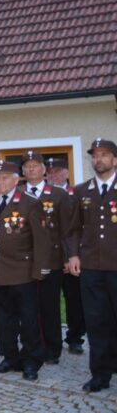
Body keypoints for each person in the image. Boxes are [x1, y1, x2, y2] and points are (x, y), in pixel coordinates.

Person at [0, 160, 50, 380]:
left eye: (5, 177)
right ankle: (10, 357)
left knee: (28, 320)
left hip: (22, 272)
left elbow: (41, 241)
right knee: (3, 319)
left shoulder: (29, 203)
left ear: (17, 179)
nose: (0, 181)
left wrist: (39, 271)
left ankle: (31, 361)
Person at [64, 137, 117, 391]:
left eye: (104, 154)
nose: (99, 159)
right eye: (95, 155)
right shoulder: (83, 191)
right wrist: (73, 255)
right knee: (96, 321)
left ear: (114, 159)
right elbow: (72, 228)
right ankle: (100, 374)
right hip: (92, 269)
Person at [20, 150, 75, 364]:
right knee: (27, 307)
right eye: (27, 166)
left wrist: (67, 257)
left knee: (49, 306)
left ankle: (52, 348)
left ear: (44, 170)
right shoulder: (18, 192)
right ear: (23, 171)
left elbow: (66, 230)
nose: (31, 169)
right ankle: (31, 345)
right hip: (24, 262)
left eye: (35, 165)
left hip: (51, 260)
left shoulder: (58, 195)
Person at [47, 156, 85, 354]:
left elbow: (76, 229)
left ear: (67, 174)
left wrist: (72, 256)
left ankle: (75, 337)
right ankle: (51, 340)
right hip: (50, 257)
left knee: (74, 300)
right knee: (49, 301)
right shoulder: (42, 195)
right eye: (50, 171)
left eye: (58, 171)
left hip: (71, 257)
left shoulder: (76, 194)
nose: (53, 175)